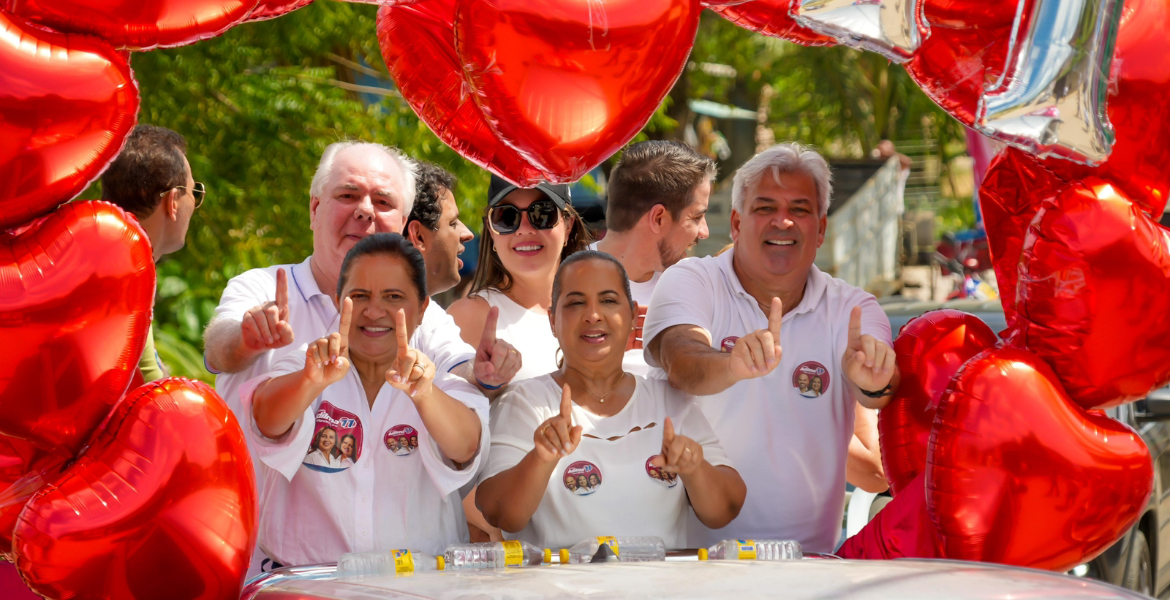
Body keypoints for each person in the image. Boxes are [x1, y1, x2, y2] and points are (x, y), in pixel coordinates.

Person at [644, 142, 898, 553]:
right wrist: (732, 365)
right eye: (765, 208)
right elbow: (680, 360)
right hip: (693, 570)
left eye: (799, 209)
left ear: (821, 228)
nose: (783, 221)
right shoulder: (693, 280)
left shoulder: (852, 307)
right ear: (737, 223)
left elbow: (878, 429)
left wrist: (874, 384)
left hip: (808, 573)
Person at [205, 142, 517, 423]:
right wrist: (247, 339)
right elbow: (218, 349)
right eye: (348, 195)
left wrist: (484, 371)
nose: (365, 210)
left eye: (383, 202)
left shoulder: (422, 314)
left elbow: (458, 370)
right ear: (315, 209)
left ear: (403, 224)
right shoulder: (262, 286)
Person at [244, 233, 487, 566]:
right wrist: (310, 382)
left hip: (419, 589)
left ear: (422, 308)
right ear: (337, 300)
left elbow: (467, 446)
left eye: (393, 296)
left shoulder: (438, 378)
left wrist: (426, 394)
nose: (374, 311)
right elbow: (266, 420)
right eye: (359, 296)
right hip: (310, 589)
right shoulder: (308, 363)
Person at [476, 251, 745, 550]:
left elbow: (725, 510)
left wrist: (695, 468)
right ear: (553, 320)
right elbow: (499, 513)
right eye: (576, 302)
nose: (593, 314)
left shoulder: (669, 400)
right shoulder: (524, 403)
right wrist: (541, 458)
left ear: (632, 316)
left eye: (608, 300)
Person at [448, 175, 593, 383]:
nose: (525, 229)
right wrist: (478, 377)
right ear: (491, 230)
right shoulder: (467, 317)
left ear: (568, 225)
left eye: (542, 213)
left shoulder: (598, 311)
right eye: (507, 217)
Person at [592, 141, 714, 377]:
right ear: (658, 218)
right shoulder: (561, 282)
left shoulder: (698, 286)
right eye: (697, 217)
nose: (704, 232)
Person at [405, 162, 522, 394]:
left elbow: (456, 366)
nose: (468, 234)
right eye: (452, 223)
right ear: (418, 236)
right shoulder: (328, 309)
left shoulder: (432, 317)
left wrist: (482, 371)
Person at [100, 124, 204, 382]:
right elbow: (149, 385)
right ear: (173, 203)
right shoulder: (125, 273)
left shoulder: (101, 254)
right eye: (195, 193)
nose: (196, 205)